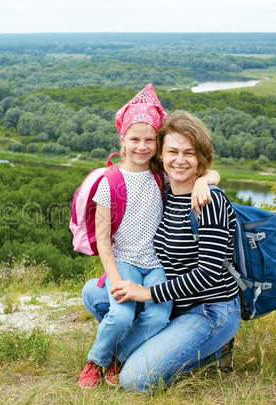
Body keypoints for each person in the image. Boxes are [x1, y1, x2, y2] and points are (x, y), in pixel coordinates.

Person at [82, 110, 241, 393]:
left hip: (208, 309)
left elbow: (207, 274)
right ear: (161, 155)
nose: (180, 160)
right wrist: (207, 176)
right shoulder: (164, 188)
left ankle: (210, 352)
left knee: (135, 381)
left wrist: (148, 294)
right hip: (176, 300)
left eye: (189, 153)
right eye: (173, 151)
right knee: (93, 293)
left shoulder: (208, 202)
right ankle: (154, 341)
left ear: (200, 158)